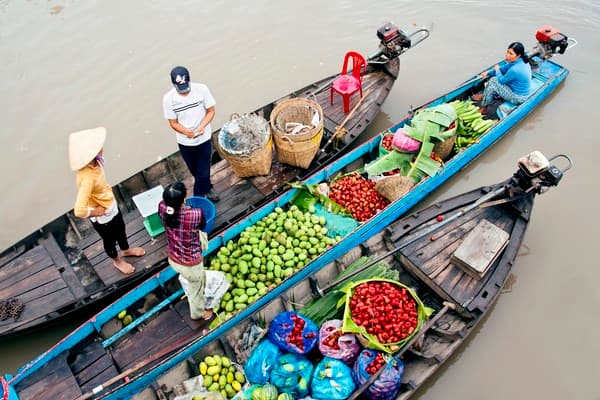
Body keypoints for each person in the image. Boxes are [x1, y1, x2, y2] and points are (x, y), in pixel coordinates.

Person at [69, 127, 145, 274]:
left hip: (110, 203)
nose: (99, 149)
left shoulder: (97, 160)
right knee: (109, 240)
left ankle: (126, 250)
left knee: (121, 229)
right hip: (102, 215)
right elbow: (79, 210)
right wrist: (95, 211)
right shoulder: (87, 177)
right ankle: (117, 261)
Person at [163, 66, 220, 202]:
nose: (184, 91)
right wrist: (185, 131)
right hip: (185, 142)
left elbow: (211, 111)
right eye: (180, 88)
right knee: (195, 171)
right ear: (174, 84)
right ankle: (208, 188)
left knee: (203, 171)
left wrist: (202, 126)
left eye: (186, 86)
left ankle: (197, 198)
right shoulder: (168, 99)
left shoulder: (202, 89)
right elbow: (173, 122)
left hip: (203, 138)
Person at [158, 181, 213, 321]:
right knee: (196, 290)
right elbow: (202, 225)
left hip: (174, 257)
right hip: (191, 265)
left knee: (194, 279)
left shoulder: (162, 207)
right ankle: (198, 313)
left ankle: (187, 279)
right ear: (184, 199)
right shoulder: (195, 214)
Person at [473, 42, 532, 115]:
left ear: (518, 55)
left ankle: (484, 108)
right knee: (494, 78)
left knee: (493, 81)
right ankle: (485, 95)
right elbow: (503, 69)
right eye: (507, 52)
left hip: (518, 97)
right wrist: (488, 73)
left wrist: (497, 70)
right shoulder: (520, 60)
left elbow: (501, 80)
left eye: (511, 54)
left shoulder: (516, 69)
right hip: (515, 89)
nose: (507, 55)